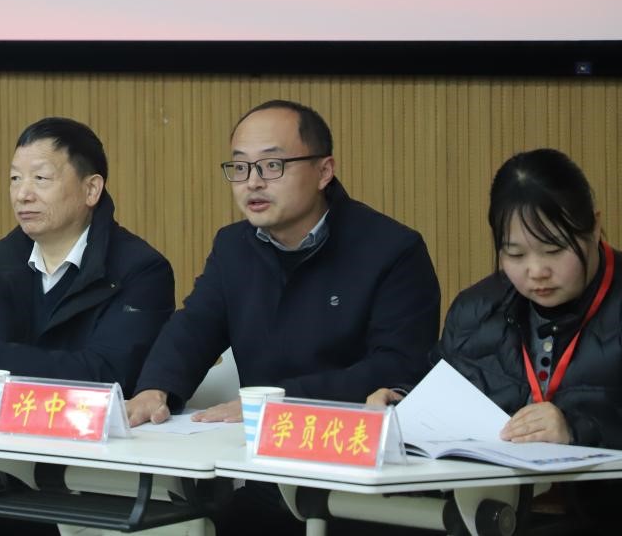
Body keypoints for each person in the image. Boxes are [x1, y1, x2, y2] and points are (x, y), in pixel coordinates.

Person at [126, 100, 439, 533]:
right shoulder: (234, 247)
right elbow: (195, 326)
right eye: (240, 167)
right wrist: (155, 389)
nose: (253, 182)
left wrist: (277, 404)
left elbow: (398, 365)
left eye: (272, 165)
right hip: (266, 475)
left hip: (364, 485)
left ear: (324, 171)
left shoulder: (392, 250)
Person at [369, 149, 622, 528]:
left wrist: (577, 430)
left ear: (595, 227)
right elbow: (444, 395)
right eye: (515, 254)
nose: (536, 271)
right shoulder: (476, 309)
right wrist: (400, 406)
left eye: (554, 249)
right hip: (490, 516)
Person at [0, 117, 174, 395]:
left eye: (41, 178)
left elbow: (110, 374)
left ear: (91, 189)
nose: (22, 195)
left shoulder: (140, 270)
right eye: (15, 179)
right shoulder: (1, 264)